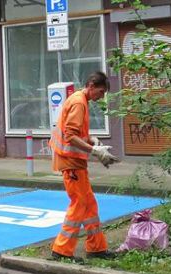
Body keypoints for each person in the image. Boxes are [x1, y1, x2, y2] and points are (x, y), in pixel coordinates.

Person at [49, 71, 121, 262]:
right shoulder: (79, 103)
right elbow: (70, 136)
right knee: (80, 204)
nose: (101, 97)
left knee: (89, 204)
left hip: (73, 162)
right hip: (71, 163)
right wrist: (95, 150)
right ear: (91, 86)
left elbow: (75, 133)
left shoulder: (80, 100)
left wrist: (91, 140)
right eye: (101, 92)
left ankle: (96, 248)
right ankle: (61, 251)